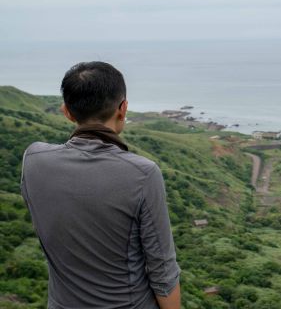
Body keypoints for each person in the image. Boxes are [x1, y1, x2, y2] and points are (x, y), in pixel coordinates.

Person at [20, 61, 181, 309]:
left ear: (67, 112)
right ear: (123, 108)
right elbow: (163, 273)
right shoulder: (143, 174)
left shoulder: (33, 161)